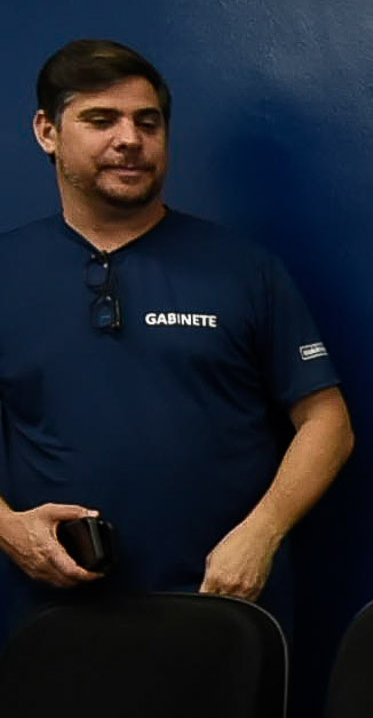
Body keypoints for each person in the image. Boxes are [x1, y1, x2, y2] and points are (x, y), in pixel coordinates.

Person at [0, 39, 352, 626]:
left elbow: (328, 423)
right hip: (49, 617)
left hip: (222, 607)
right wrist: (8, 528)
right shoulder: (8, 270)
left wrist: (261, 535)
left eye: (148, 122)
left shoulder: (243, 269)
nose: (130, 140)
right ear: (47, 132)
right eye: (101, 120)